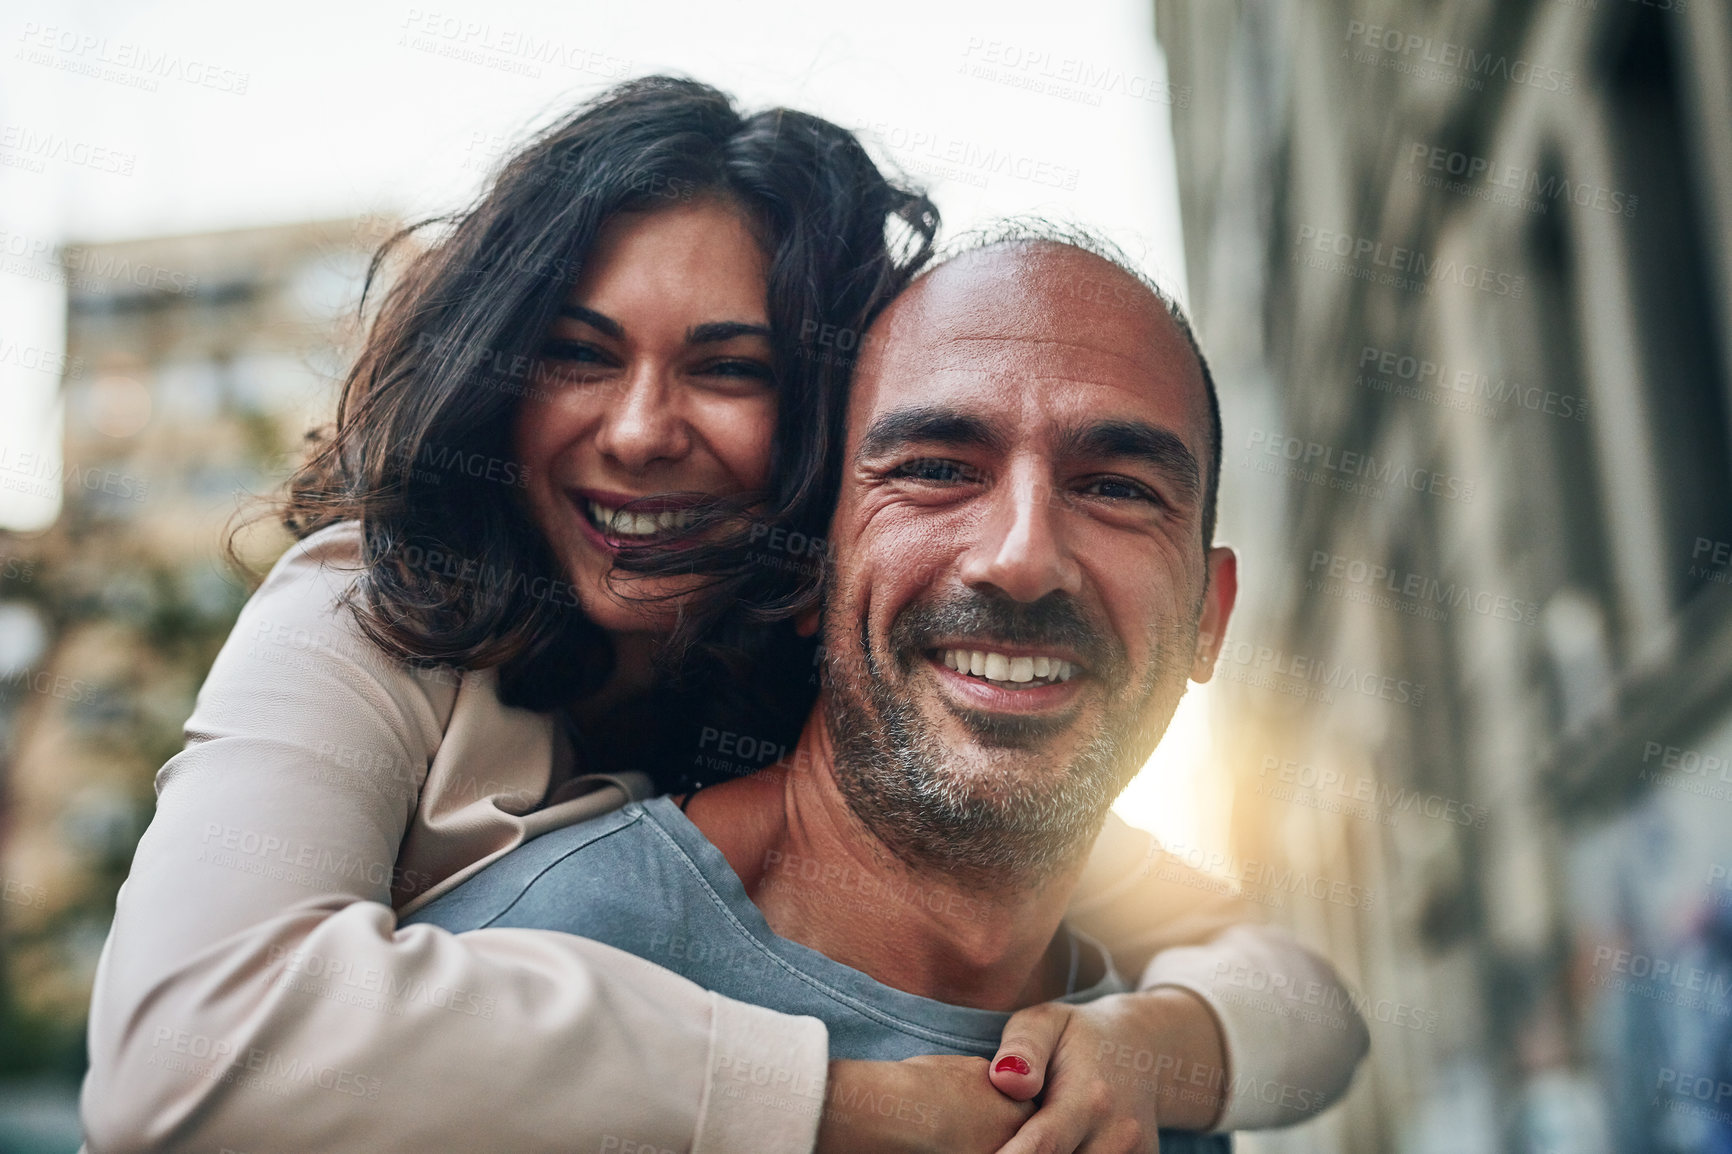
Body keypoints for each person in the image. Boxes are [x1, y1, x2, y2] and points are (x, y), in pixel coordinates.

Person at [81, 79, 1365, 1154]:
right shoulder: (369, 611)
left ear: (818, 437)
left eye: (727, 367)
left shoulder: (856, 684)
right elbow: (182, 1048)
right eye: (580, 355)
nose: (641, 432)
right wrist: (837, 1098)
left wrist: (1162, 1046)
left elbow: (1291, 992)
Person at [406, 231, 1357, 1154]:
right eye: (936, 471)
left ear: (1207, 617)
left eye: (1116, 488)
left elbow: (1319, 1017)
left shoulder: (1149, 1066)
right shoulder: (531, 978)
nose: (1022, 559)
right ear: (814, 571)